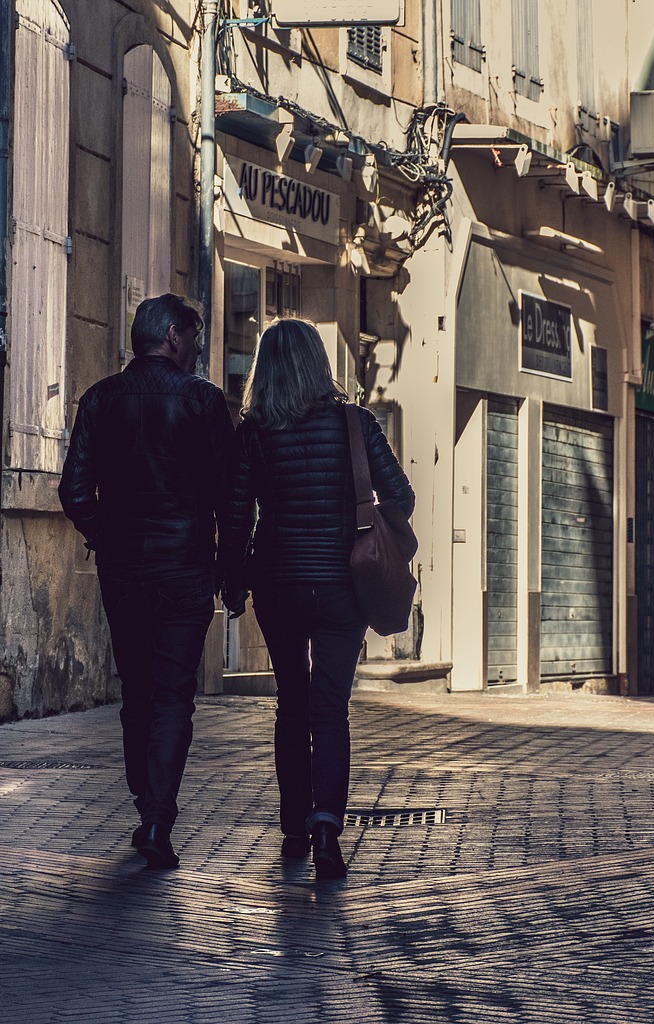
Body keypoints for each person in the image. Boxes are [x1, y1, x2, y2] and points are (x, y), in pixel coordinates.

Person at [220, 319, 414, 880]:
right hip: (340, 585)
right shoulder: (355, 423)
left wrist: (231, 578)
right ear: (318, 364)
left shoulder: (255, 430)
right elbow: (400, 494)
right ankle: (328, 830)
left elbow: (237, 516)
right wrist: (367, 519)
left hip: (278, 584)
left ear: (268, 369)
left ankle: (292, 828)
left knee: (293, 706)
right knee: (330, 710)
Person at [58, 293, 234, 870]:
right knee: (173, 695)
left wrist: (103, 536)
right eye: (195, 334)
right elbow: (232, 497)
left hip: (124, 570)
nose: (200, 346)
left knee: (137, 690)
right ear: (171, 337)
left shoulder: (101, 400)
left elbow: (74, 490)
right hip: (185, 568)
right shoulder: (206, 403)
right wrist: (230, 565)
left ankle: (146, 803)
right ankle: (159, 815)